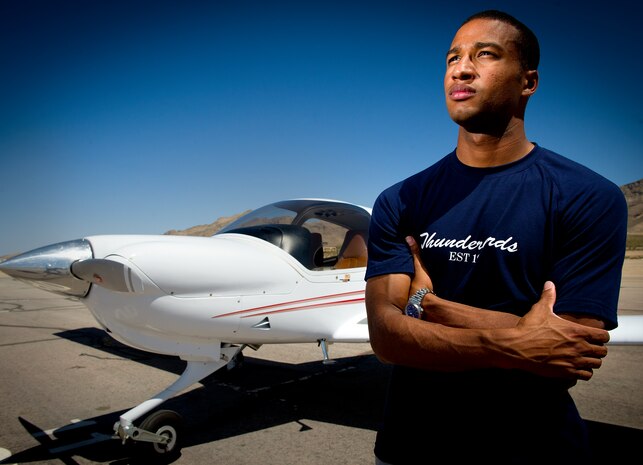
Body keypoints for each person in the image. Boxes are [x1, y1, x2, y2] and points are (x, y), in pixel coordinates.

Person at [364, 9, 627, 465]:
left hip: (536, 449)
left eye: (485, 55)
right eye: (452, 58)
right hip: (412, 445)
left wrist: (430, 305)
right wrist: (517, 337)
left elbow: (574, 349)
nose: (461, 69)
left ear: (528, 82)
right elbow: (387, 340)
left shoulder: (588, 196)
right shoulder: (401, 200)